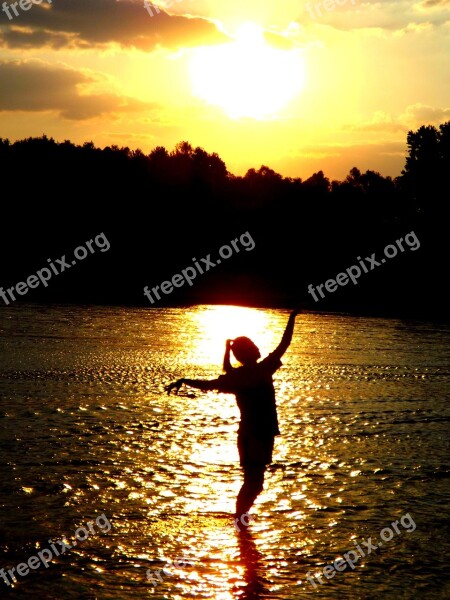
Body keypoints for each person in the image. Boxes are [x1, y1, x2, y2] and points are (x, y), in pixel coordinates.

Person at [166, 309, 300, 523]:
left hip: (260, 434)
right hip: (255, 435)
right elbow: (285, 343)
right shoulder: (260, 370)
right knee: (254, 483)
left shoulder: (243, 375)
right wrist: (292, 317)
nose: (258, 348)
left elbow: (216, 379)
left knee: (254, 482)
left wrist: (186, 379)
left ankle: (240, 520)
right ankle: (240, 522)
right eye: (253, 346)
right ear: (247, 353)